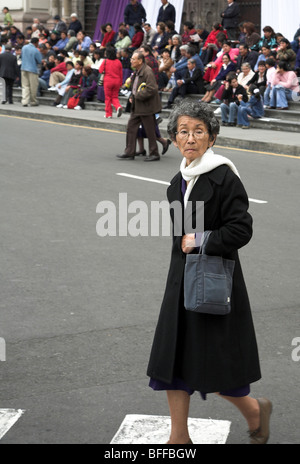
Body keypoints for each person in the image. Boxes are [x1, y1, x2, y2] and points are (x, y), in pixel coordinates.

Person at [147, 99, 272, 445]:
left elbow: (241, 229)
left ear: (212, 138)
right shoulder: (177, 182)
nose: (191, 138)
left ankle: (255, 412)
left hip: (214, 280)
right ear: (174, 139)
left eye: (198, 131)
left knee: (217, 368)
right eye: (183, 132)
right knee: (172, 362)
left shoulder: (224, 176)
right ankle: (178, 438)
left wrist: (203, 239)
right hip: (181, 282)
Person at [116, 51, 162, 161]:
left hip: (146, 106)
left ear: (140, 61)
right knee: (131, 127)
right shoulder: (137, 71)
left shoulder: (147, 71)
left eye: (133, 59)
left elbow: (151, 88)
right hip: (138, 106)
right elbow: (135, 87)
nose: (131, 61)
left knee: (150, 130)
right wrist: (133, 95)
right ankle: (129, 151)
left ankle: (154, 153)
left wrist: (137, 95)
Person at [99, 45, 123, 118]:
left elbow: (100, 70)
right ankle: (118, 106)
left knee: (108, 98)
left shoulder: (105, 61)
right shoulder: (118, 62)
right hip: (117, 81)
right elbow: (121, 74)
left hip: (108, 81)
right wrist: (121, 83)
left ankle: (108, 114)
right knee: (115, 97)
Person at [20, 37, 42, 106]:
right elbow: (39, 61)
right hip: (32, 69)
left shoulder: (24, 47)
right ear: (36, 43)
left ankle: (25, 101)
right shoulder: (35, 50)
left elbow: (21, 56)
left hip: (23, 68)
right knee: (33, 86)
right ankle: (33, 101)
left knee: (25, 86)